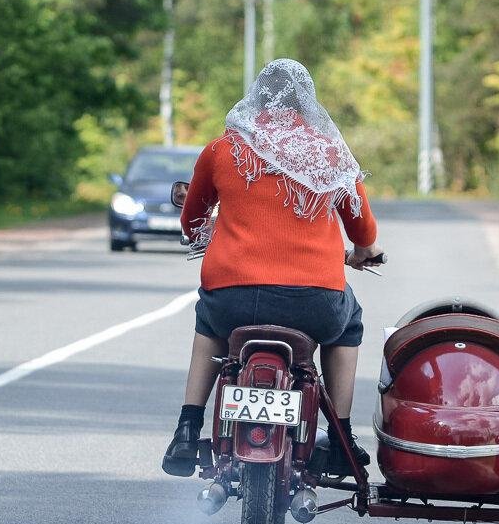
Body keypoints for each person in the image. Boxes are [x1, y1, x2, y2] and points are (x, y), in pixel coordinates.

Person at [162, 58, 384, 478]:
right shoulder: (329, 152)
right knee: (349, 321)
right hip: (314, 303)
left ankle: (187, 429)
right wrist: (365, 251)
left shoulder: (222, 149)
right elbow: (361, 225)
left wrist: (205, 231)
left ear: (256, 97)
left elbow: (192, 219)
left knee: (208, 324)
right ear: (307, 103)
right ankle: (340, 439)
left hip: (233, 300)